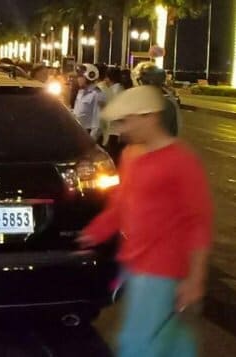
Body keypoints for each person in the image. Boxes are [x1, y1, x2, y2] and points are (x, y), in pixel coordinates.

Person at [78, 85, 212, 357]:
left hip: (162, 270)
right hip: (135, 263)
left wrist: (195, 279)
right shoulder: (131, 156)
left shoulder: (181, 161)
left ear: (149, 117)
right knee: (173, 343)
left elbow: (198, 223)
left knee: (138, 344)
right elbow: (120, 206)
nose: (122, 129)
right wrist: (93, 233)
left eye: (127, 120)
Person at [72, 64, 106, 139]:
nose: (78, 79)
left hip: (88, 135)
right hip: (78, 133)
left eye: (81, 77)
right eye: (78, 76)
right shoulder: (80, 92)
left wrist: (90, 141)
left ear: (90, 76)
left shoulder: (98, 94)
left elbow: (98, 123)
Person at [101, 67, 127, 159]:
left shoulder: (113, 91)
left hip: (114, 131)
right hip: (117, 131)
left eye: (106, 78)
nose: (105, 80)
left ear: (109, 78)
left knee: (112, 157)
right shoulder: (121, 89)